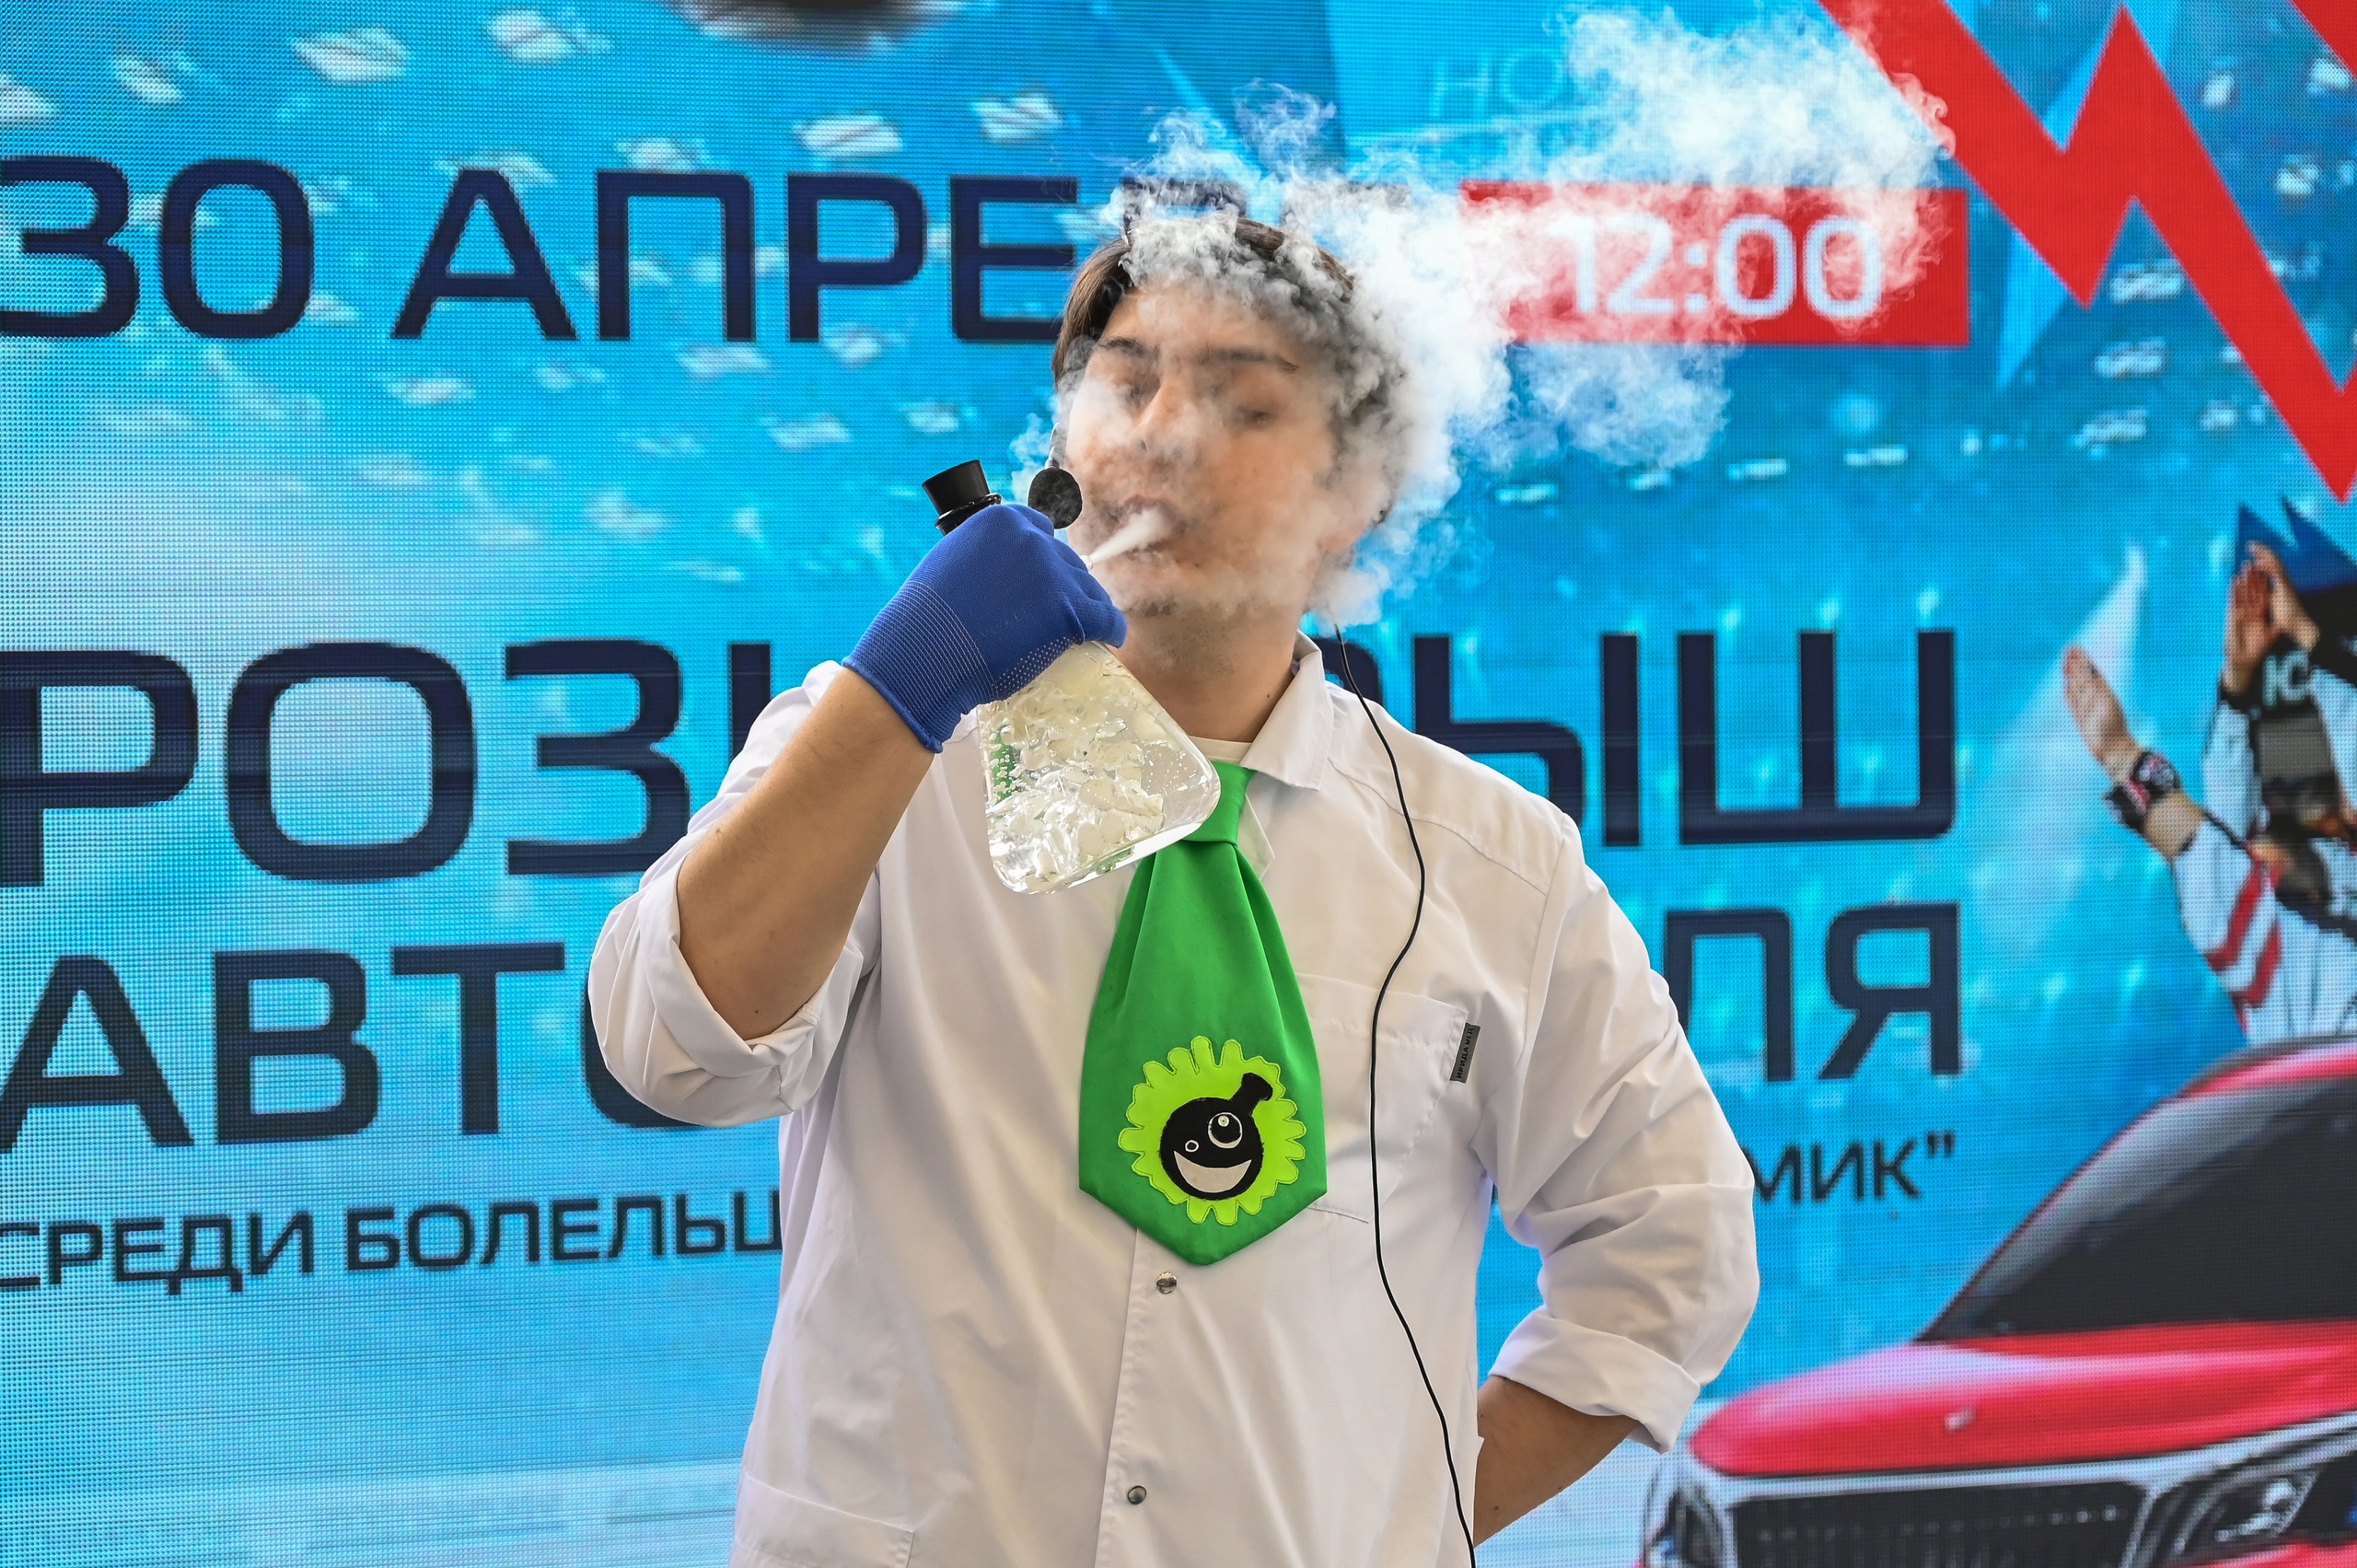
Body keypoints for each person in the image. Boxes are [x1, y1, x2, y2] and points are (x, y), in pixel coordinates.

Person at [588, 212, 1759, 1565]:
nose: (1162, 436)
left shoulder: (1493, 859)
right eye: (1127, 383)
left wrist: (1404, 1521)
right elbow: (669, 1049)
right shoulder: (877, 755)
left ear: (1360, 492)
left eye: (1241, 403)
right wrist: (898, 687)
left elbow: (1670, 1246)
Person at [2065, 538, 2357, 1045]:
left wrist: (2306, 638)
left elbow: (2219, 861)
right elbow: (2219, 853)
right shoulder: (2284, 946)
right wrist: (2238, 687)